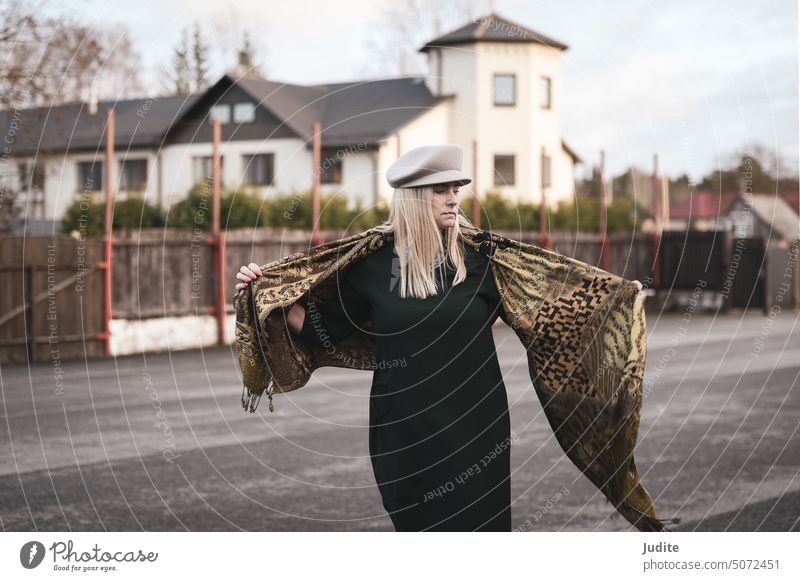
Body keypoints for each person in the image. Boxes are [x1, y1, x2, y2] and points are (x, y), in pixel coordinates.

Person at [235, 144, 642, 531]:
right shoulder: (371, 265)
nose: (453, 199)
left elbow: (551, 301)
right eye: (441, 190)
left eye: (456, 189)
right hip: (404, 432)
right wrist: (268, 297)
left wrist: (614, 299)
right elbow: (323, 329)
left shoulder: (483, 261)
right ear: (412, 198)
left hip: (476, 431)